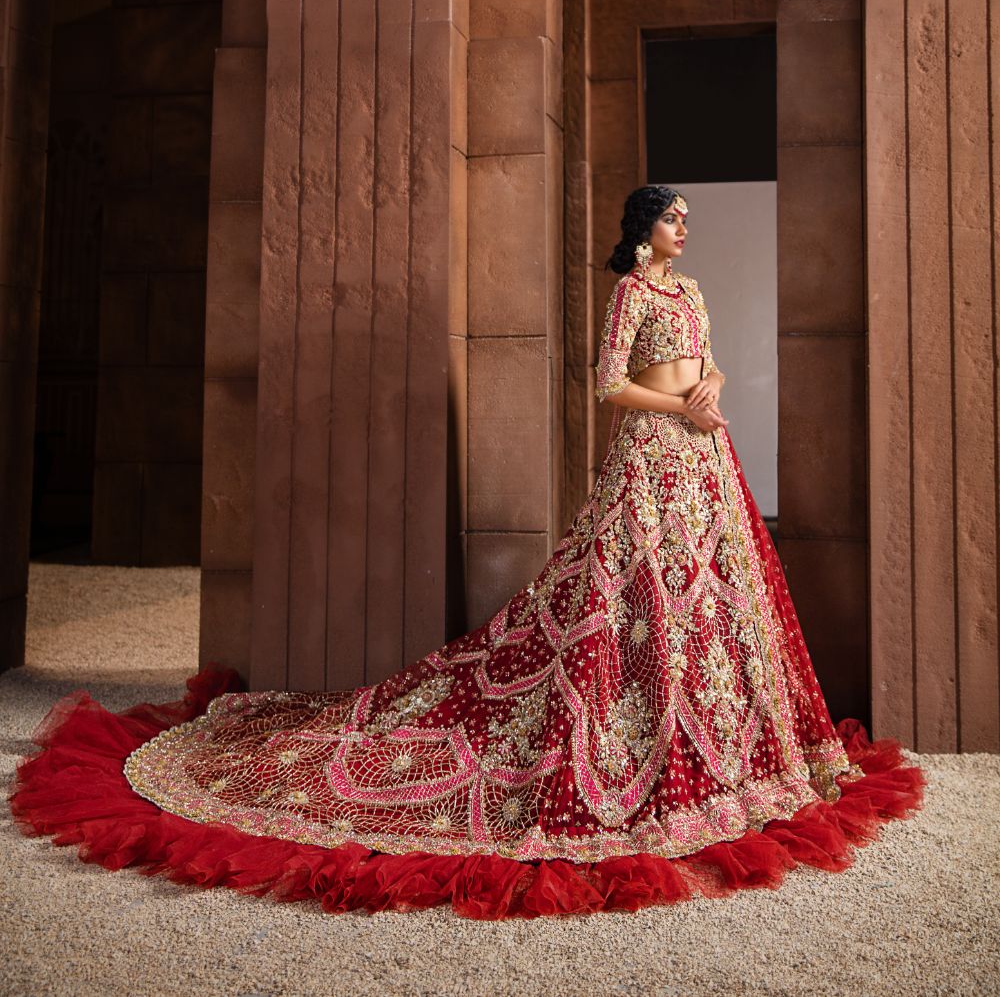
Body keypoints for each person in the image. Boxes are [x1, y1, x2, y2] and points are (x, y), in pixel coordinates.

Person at [9, 184, 925, 919]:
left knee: (711, 603)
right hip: (652, 454)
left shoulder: (688, 293)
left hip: (702, 459)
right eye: (673, 216)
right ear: (643, 231)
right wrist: (677, 406)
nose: (686, 227)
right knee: (626, 593)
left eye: (686, 216)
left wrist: (712, 387)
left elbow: (709, 359)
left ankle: (712, 744)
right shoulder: (632, 293)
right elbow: (608, 386)